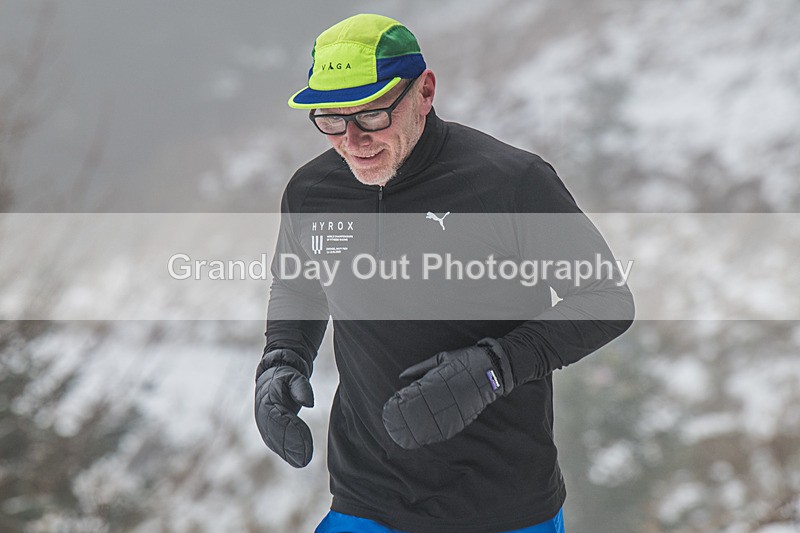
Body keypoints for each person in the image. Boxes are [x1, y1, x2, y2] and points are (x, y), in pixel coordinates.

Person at [255, 13, 634, 533]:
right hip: (366, 500)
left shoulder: (509, 182)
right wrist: (282, 359)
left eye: (371, 115)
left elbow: (606, 298)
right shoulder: (311, 191)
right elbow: (298, 285)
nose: (352, 141)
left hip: (503, 503)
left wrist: (493, 367)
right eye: (331, 119)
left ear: (425, 92)